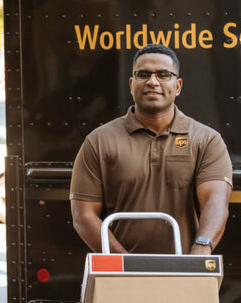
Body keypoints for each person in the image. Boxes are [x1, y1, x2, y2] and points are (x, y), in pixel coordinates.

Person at [70, 44, 232, 255]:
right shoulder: (99, 141)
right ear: (131, 83)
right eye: (143, 74)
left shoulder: (207, 140)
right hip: (121, 277)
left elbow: (215, 201)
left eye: (164, 75)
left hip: (185, 272)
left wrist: (199, 254)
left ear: (178, 86)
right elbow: (83, 216)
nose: (152, 82)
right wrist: (127, 264)